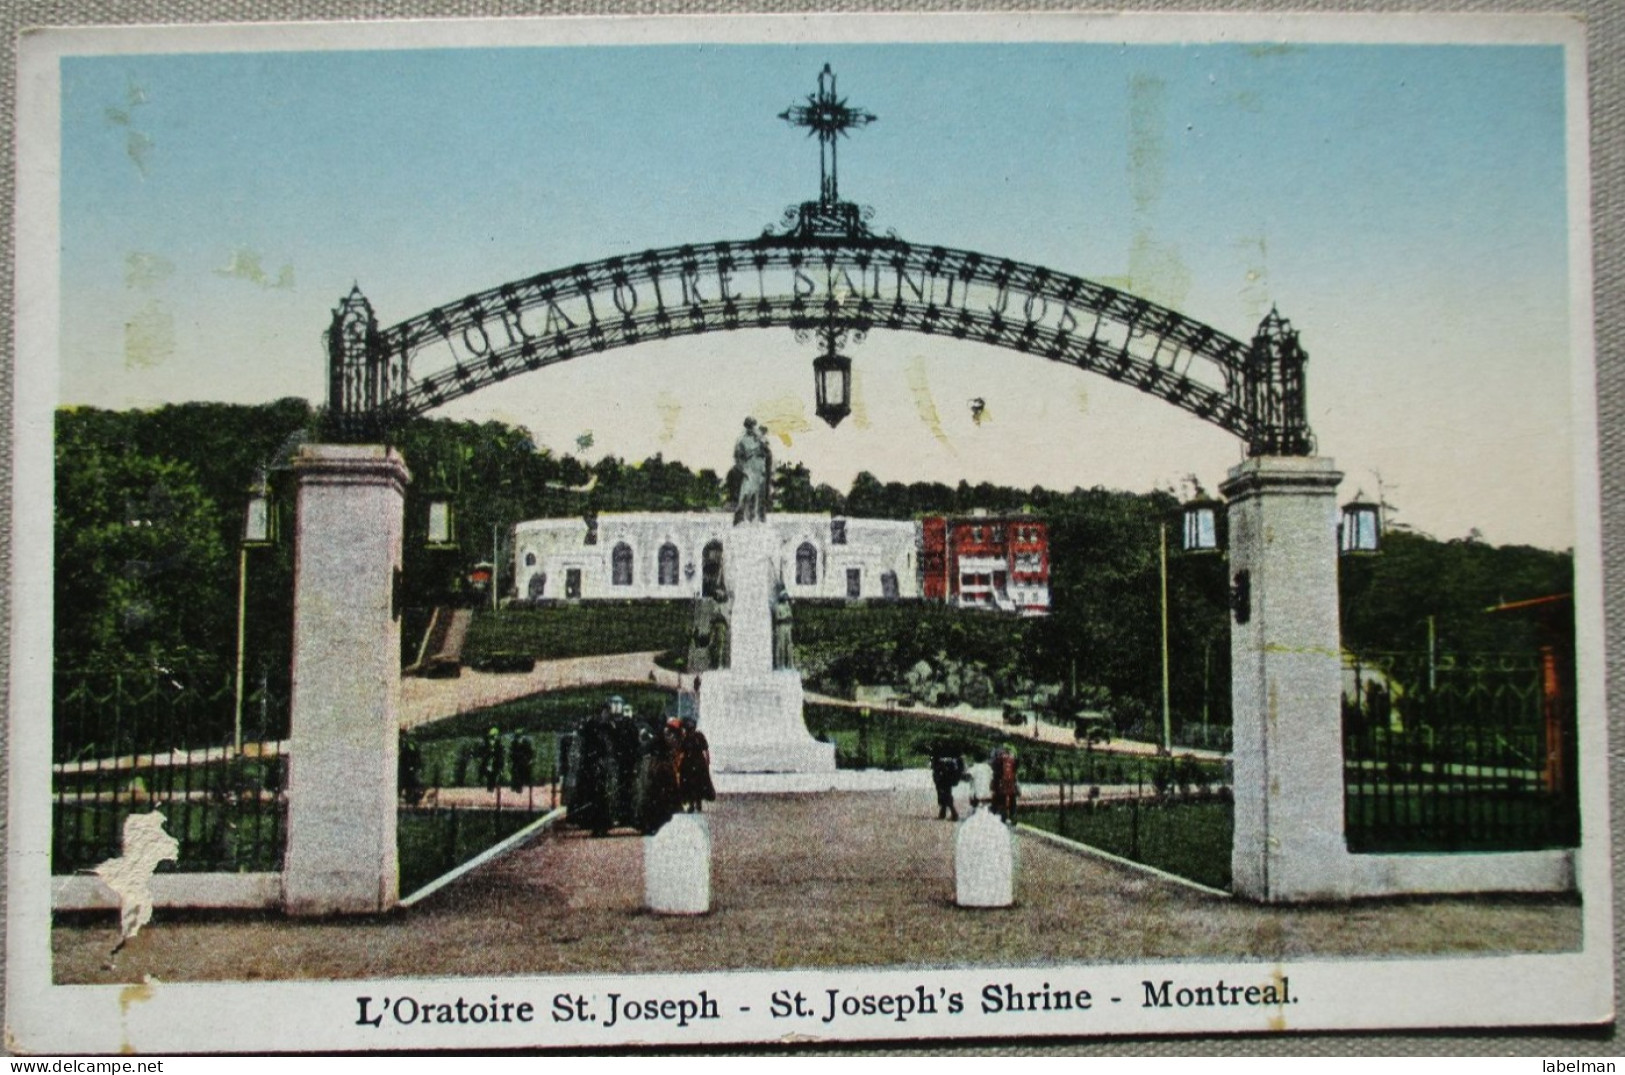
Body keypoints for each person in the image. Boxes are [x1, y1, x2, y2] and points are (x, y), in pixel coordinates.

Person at [732, 417, 772, 524]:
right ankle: (739, 519)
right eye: (750, 426)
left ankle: (759, 519)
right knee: (745, 494)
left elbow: (767, 452)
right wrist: (744, 470)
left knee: (760, 496)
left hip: (760, 468)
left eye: (753, 426)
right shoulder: (741, 440)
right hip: (749, 469)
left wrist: (761, 439)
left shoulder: (760, 438)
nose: (752, 428)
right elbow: (737, 458)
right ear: (746, 427)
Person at [674, 717, 716, 813]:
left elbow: (679, 751)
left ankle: (693, 803)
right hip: (697, 763)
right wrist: (707, 762)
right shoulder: (698, 736)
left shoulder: (685, 737)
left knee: (690, 784)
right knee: (698, 783)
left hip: (689, 763)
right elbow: (705, 750)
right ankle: (696, 803)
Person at [930, 748, 966, 821]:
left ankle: (952, 812)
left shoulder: (938, 748)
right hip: (946, 773)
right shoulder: (954, 749)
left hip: (945, 774)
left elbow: (934, 763)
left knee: (944, 792)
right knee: (945, 792)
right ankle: (945, 811)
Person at [990, 742, 1020, 824]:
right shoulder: (1013, 756)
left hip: (1001, 780)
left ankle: (1002, 815)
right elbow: (1016, 767)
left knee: (1001, 796)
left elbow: (995, 768)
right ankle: (1013, 816)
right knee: (1012, 797)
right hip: (1011, 780)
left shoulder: (999, 756)